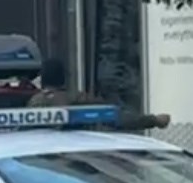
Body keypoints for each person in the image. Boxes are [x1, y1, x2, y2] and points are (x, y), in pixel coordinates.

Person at [28, 57, 171, 133]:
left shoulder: (33, 104)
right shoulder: (77, 100)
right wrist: (154, 120)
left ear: (43, 79)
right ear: (63, 78)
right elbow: (117, 118)